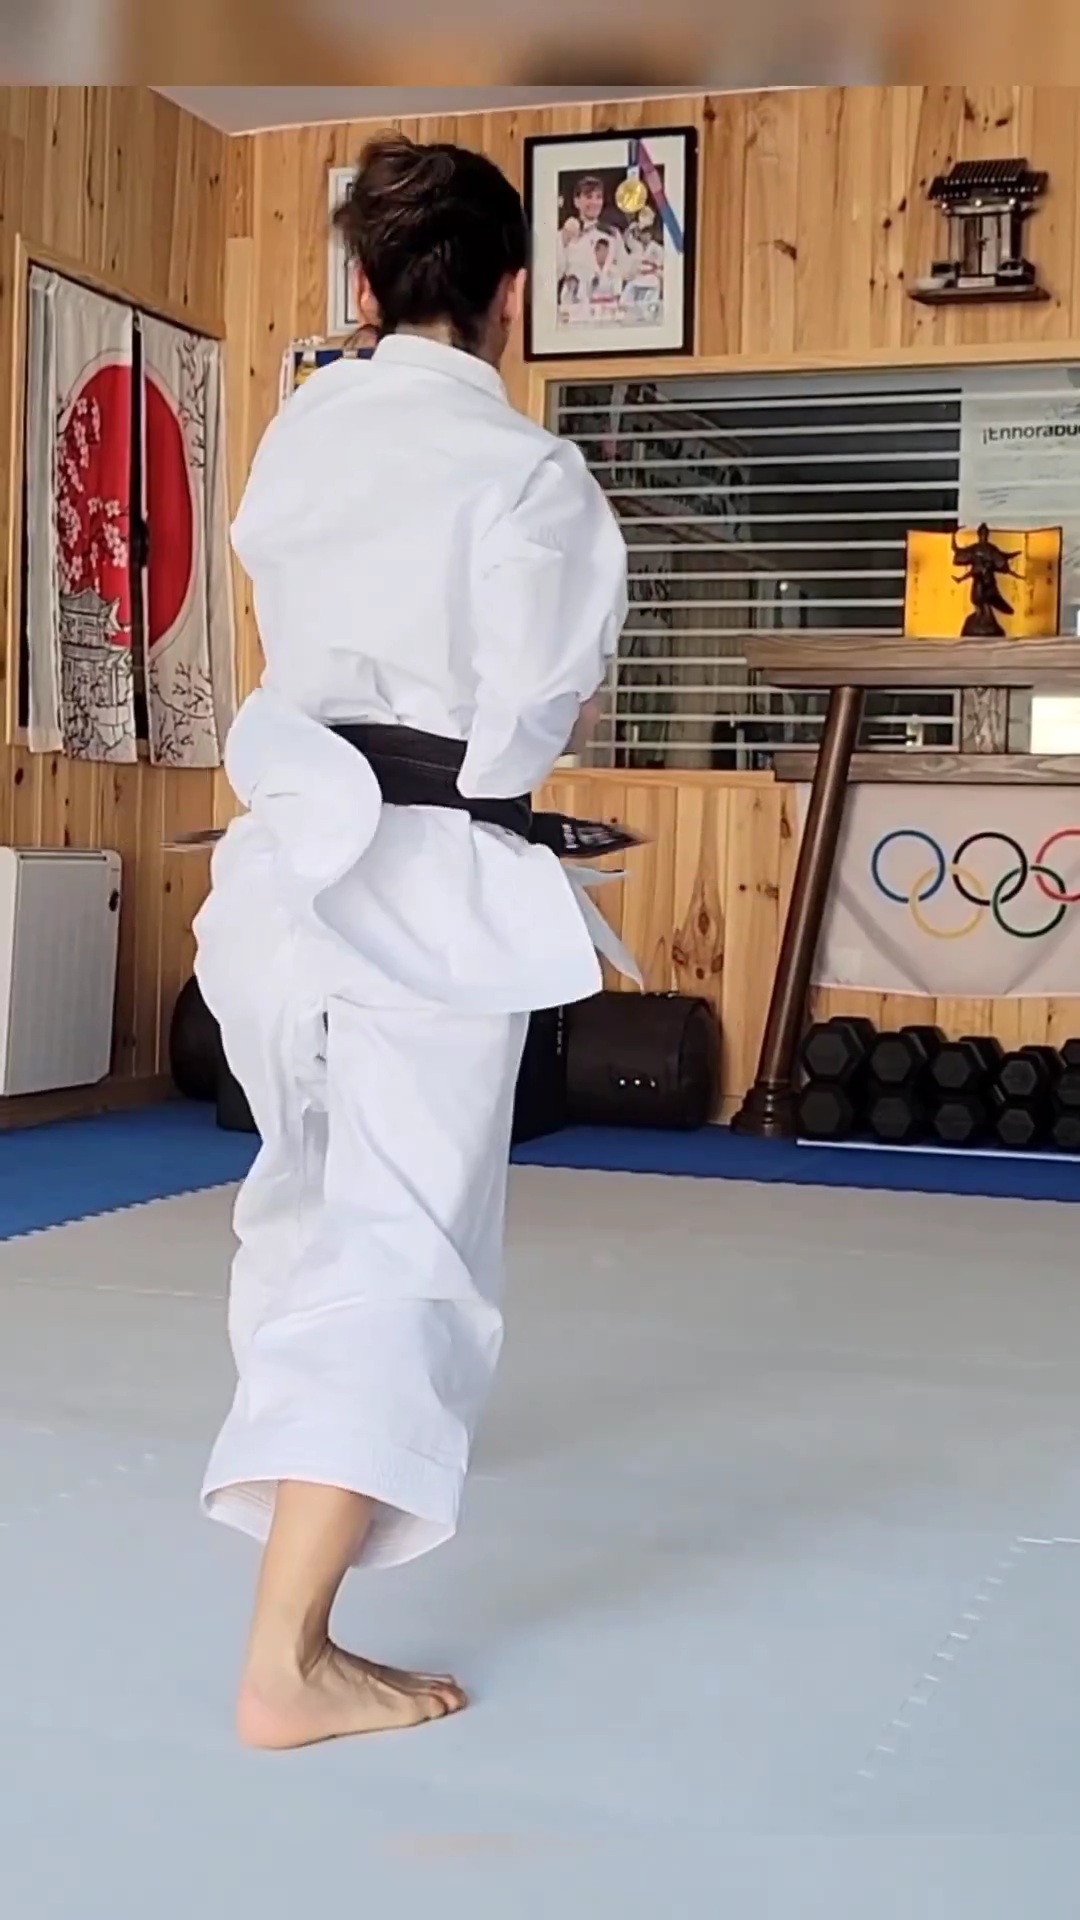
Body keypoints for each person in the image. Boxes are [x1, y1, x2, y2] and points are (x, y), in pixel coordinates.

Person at [193, 132, 632, 1752]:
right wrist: (502, 786)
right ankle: (288, 1658)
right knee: (404, 1248)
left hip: (278, 871)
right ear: (512, 296)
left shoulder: (301, 433)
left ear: (366, 293)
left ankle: (323, 1479)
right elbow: (528, 711)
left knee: (308, 1199)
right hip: (419, 890)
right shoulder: (528, 474)